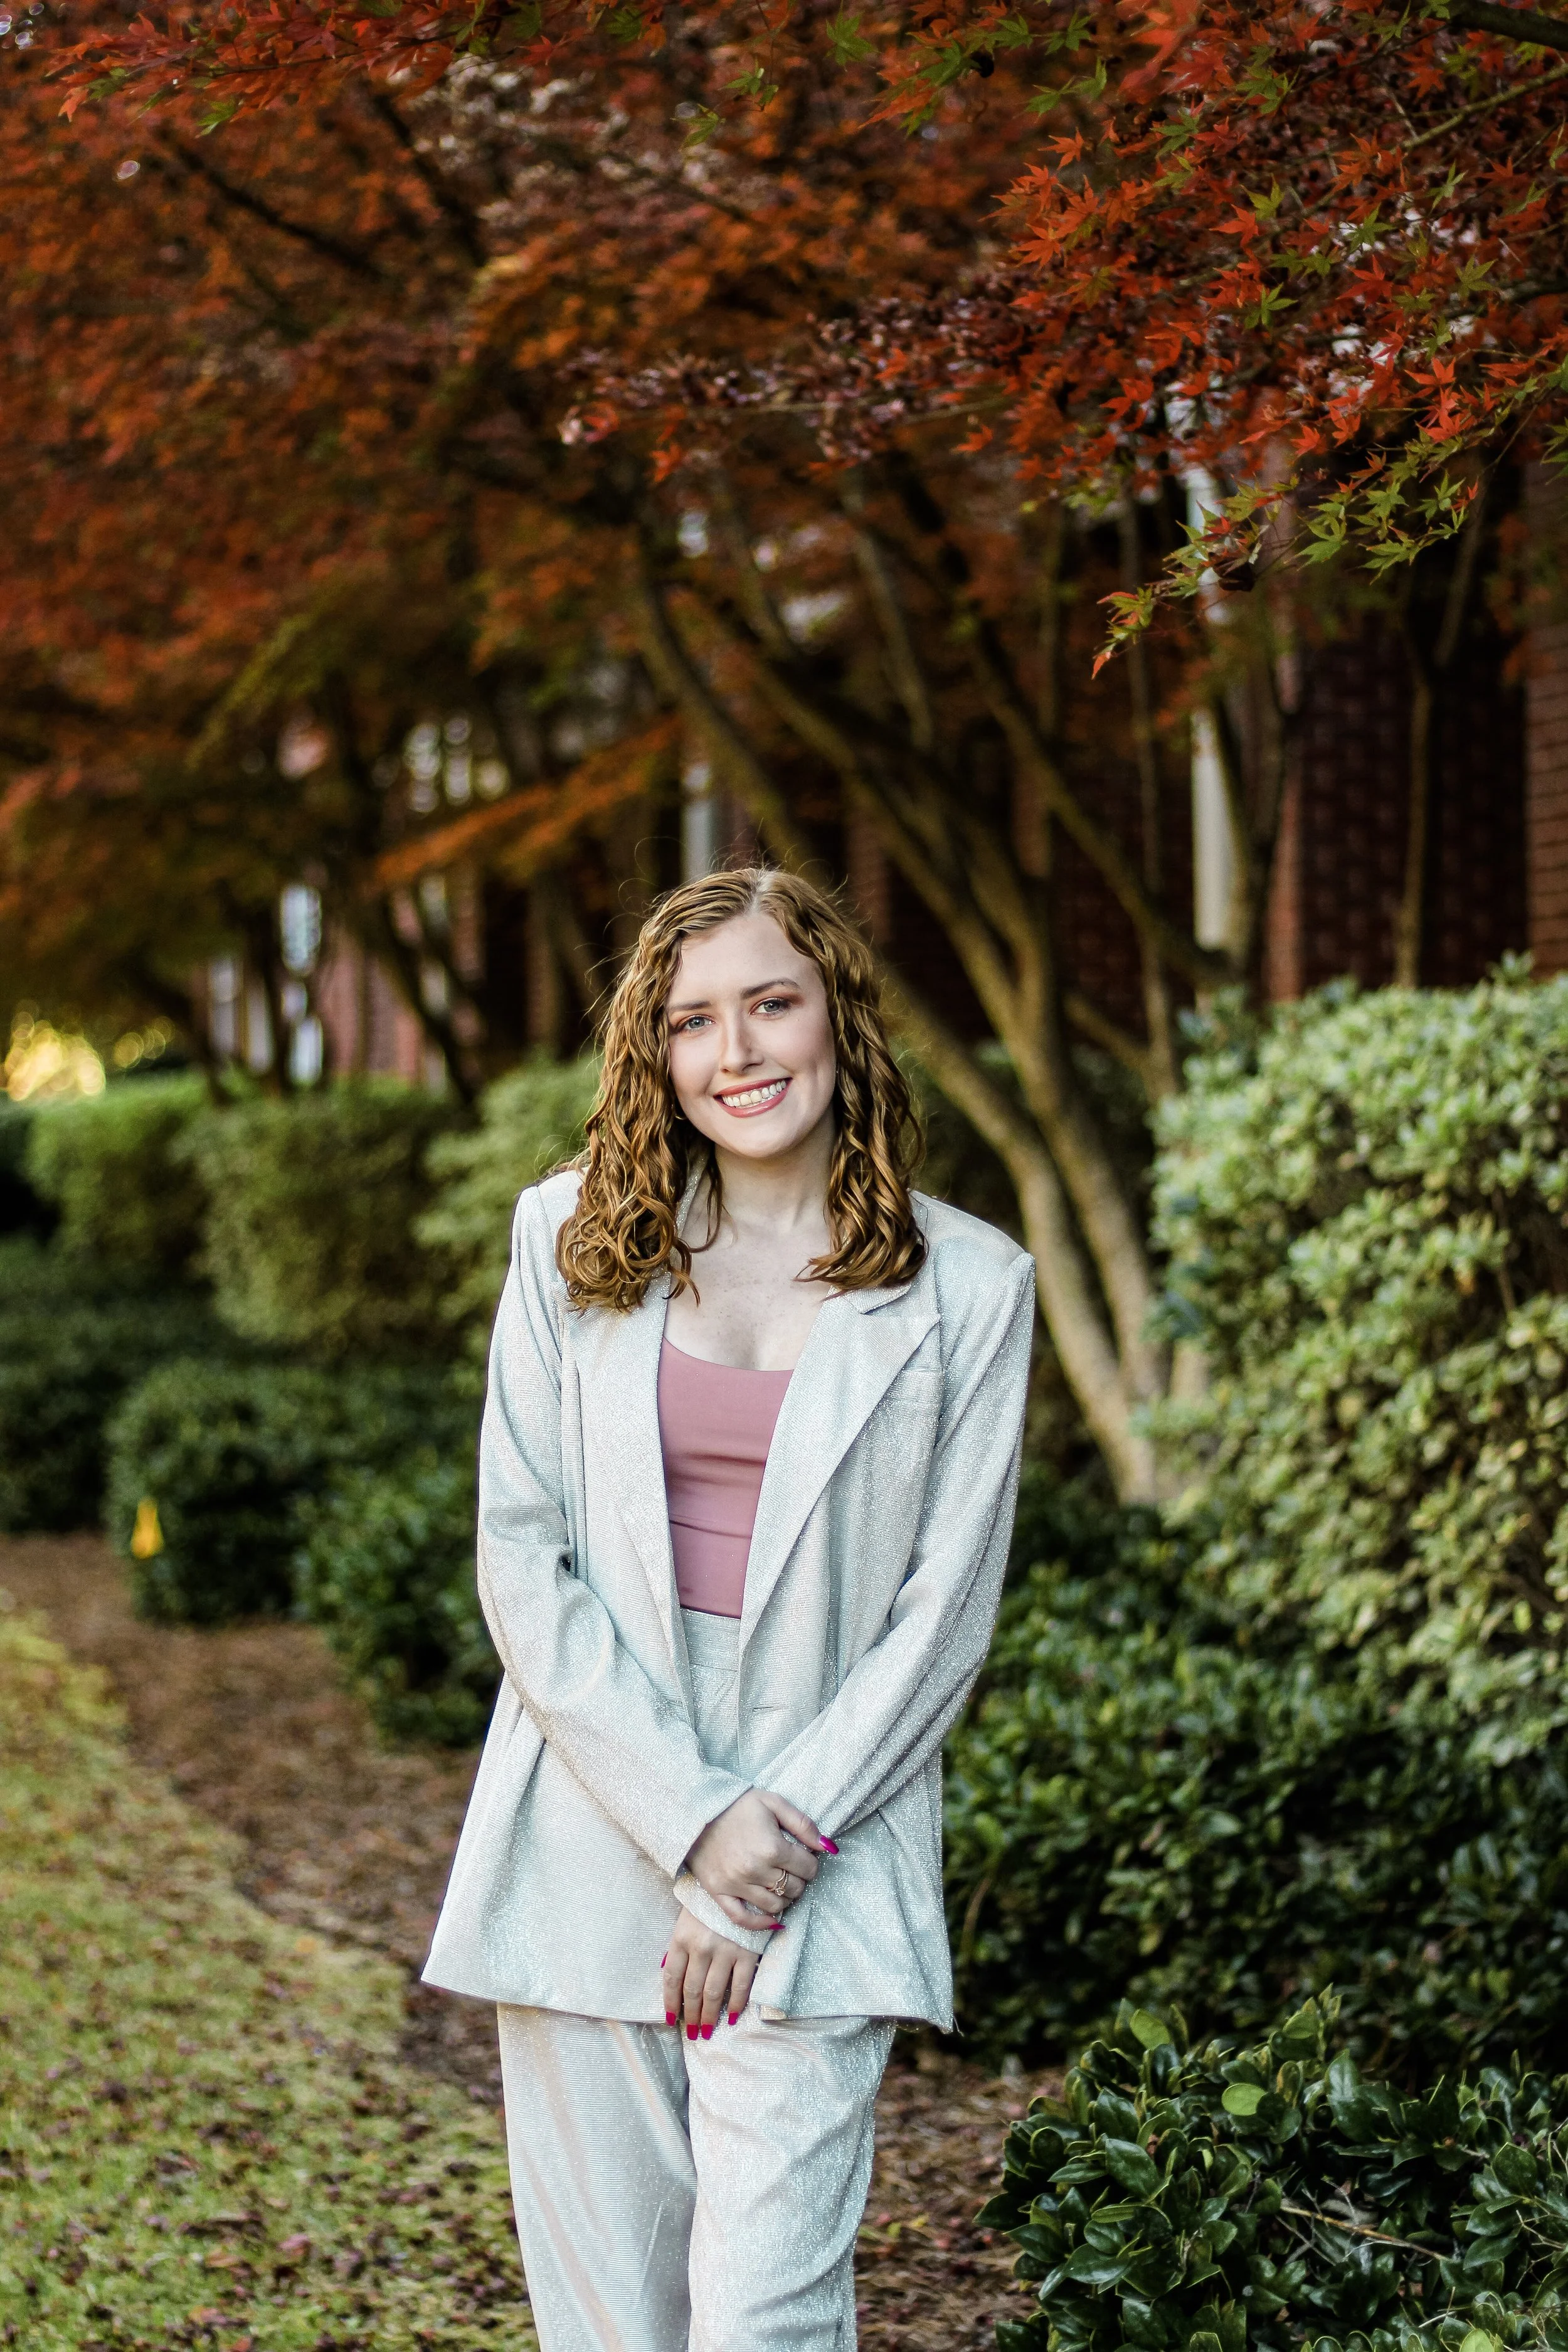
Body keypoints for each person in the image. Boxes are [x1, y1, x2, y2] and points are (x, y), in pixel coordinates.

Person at [423, 866, 1034, 2352]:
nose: (738, 1051)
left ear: (838, 1017)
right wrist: (694, 1823)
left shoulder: (969, 1284)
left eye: (770, 1002)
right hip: (591, 1822)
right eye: (694, 1021)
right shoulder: (565, 1240)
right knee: (613, 2325)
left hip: (824, 1841)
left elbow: (941, 1617)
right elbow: (522, 1558)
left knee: (762, 2319)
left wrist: (762, 1855)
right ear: (654, 1053)